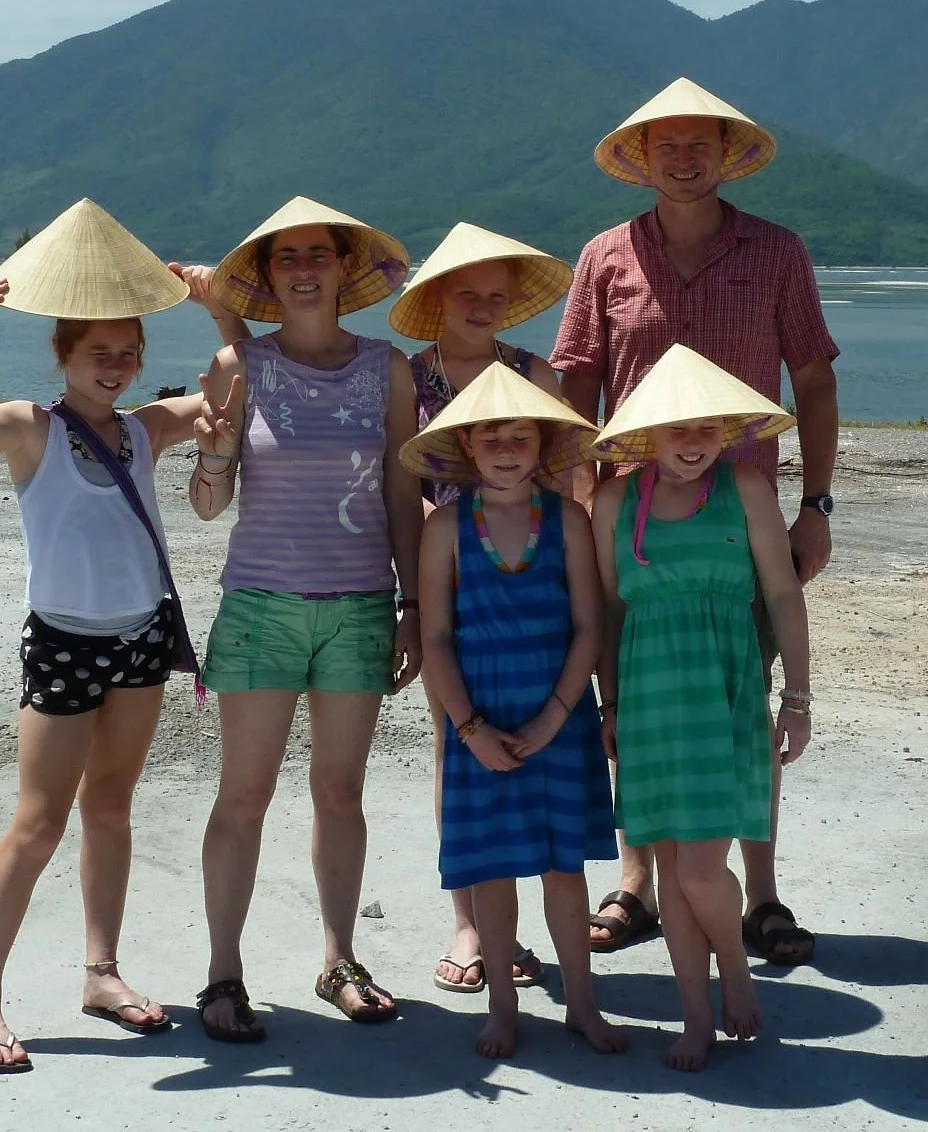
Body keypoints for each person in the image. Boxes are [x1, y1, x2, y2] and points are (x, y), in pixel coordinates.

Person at [0, 199, 230, 1074]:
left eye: (128, 352)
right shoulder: (28, 426)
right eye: (97, 353)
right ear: (64, 355)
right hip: (65, 643)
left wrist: (217, 309)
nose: (115, 366)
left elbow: (240, 388)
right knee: (38, 821)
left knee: (111, 808)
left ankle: (101, 973)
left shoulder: (146, 428)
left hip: (142, 639)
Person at [552, 76, 839, 967]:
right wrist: (579, 497)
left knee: (741, 700)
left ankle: (762, 893)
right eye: (664, 146)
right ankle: (636, 880)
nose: (681, 160)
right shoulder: (605, 256)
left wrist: (816, 503)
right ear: (640, 160)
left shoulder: (777, 251)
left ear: (725, 154)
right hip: (628, 515)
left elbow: (816, 379)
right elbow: (576, 383)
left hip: (740, 512)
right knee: (634, 696)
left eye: (697, 145)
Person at [185, 195, 423, 1041]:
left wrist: (413, 604)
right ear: (268, 275)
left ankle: (339, 958)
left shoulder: (387, 368)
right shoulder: (237, 367)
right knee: (242, 797)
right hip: (260, 607)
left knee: (340, 793)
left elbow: (404, 491)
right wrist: (212, 452)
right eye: (287, 258)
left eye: (318, 254)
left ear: (342, 268)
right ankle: (222, 975)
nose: (305, 268)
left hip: (359, 607)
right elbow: (208, 506)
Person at [588, 344, 813, 1071]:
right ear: (649, 430)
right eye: (676, 427)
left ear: (726, 433)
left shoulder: (745, 487)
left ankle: (739, 980)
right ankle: (695, 1017)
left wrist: (798, 697)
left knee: (695, 872)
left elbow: (782, 594)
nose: (691, 442)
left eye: (706, 428)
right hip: (650, 700)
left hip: (724, 696)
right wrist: (609, 703)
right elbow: (608, 612)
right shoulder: (617, 500)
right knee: (678, 874)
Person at [405, 363, 628, 1059]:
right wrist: (467, 728)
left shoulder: (568, 520)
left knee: (566, 870)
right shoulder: (444, 528)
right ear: (467, 446)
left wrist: (557, 715)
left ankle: (582, 1005)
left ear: (542, 444)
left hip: (557, 712)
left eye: (520, 436)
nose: (506, 448)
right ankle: (503, 1007)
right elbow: (435, 635)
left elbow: (590, 627)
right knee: (493, 870)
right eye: (491, 437)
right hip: (480, 714)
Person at [388, 222, 573, 994]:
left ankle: (530, 922)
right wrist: (408, 594)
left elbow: (564, 482)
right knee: (453, 745)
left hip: (530, 572)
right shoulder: (407, 375)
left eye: (498, 297)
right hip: (446, 575)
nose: (483, 307)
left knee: (541, 747)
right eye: (467, 292)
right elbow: (402, 488)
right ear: (436, 297)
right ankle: (470, 922)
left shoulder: (538, 373)